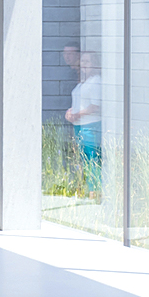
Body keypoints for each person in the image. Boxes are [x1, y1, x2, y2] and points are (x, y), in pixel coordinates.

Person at [64, 51, 102, 196]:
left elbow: (95, 106)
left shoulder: (96, 81)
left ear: (94, 64)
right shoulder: (83, 82)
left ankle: (95, 190)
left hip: (90, 125)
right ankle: (87, 188)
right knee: (83, 158)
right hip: (79, 124)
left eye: (87, 61)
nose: (83, 64)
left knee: (92, 158)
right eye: (82, 61)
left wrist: (77, 114)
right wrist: (70, 111)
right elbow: (80, 102)